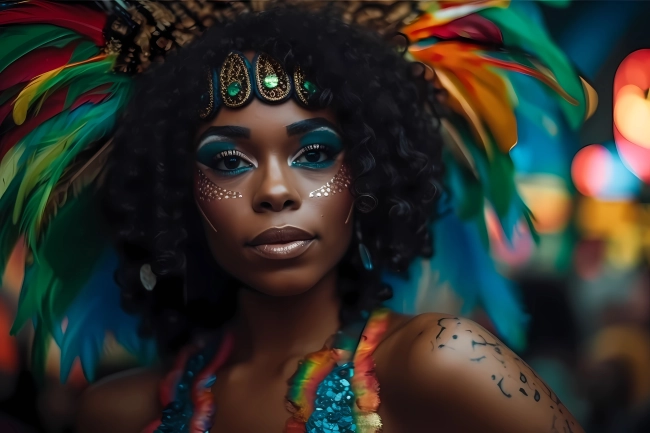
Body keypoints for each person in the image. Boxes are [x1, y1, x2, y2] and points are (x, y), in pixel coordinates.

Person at [0, 1, 594, 432]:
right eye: (228, 160)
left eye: (315, 153)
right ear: (177, 196)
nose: (276, 190)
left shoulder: (441, 362)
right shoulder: (119, 413)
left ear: (368, 175)